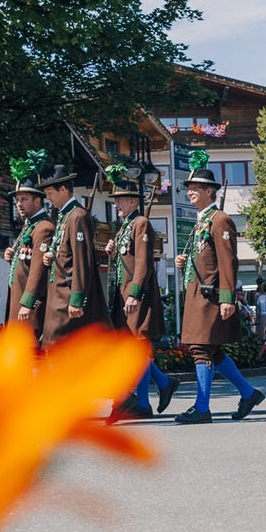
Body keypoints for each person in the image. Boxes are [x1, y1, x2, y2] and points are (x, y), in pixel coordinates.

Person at [172, 151, 264, 424]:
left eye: (195, 188)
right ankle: (248, 393)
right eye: (189, 187)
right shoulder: (202, 220)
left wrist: (227, 298)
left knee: (201, 349)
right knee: (213, 351)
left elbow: (227, 261)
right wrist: (184, 262)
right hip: (198, 295)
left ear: (209, 191)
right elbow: (204, 257)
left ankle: (202, 407)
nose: (190, 192)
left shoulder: (220, 219)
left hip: (210, 296)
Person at [103, 166, 169, 422]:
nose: (116, 204)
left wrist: (134, 294)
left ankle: (143, 401)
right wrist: (112, 251)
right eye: (116, 200)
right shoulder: (125, 226)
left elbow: (142, 263)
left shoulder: (140, 223)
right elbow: (126, 259)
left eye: (120, 200)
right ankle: (162, 384)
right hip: (124, 295)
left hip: (137, 296)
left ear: (133, 201)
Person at [36, 163, 107, 347]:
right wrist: (52, 255)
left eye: (50, 193)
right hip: (58, 294)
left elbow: (82, 260)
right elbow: (65, 252)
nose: (47, 198)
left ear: (63, 189)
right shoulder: (64, 216)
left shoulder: (77, 216)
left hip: (67, 296)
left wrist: (77, 298)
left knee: (61, 348)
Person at [3, 151, 54, 344]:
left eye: (24, 199)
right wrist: (12, 255)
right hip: (19, 303)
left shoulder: (43, 228)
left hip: (30, 308)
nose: (19, 204)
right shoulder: (30, 226)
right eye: (17, 200)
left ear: (37, 201)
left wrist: (28, 302)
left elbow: (38, 269)